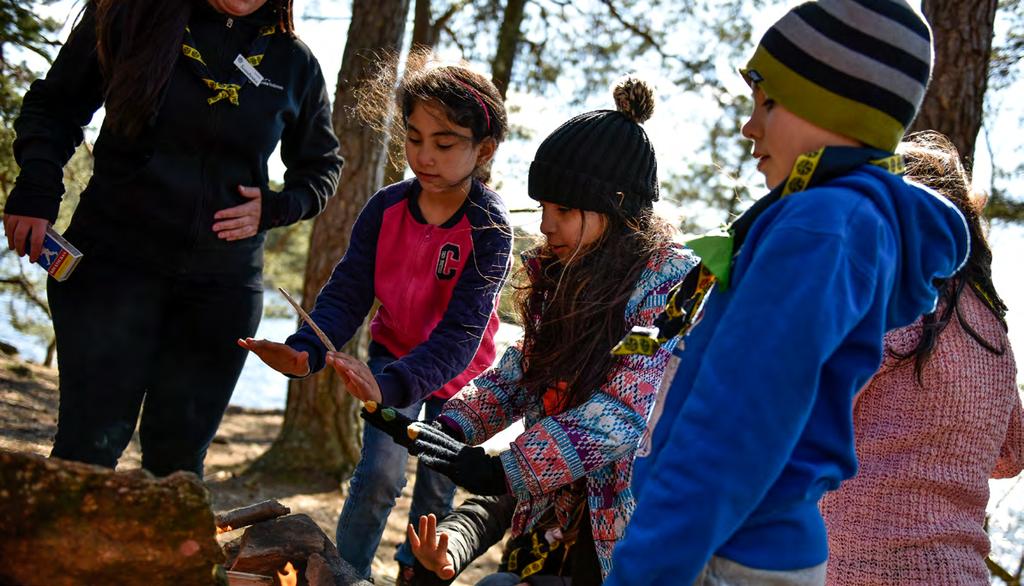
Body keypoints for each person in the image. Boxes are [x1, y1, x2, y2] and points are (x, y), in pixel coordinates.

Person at [604, 2, 972, 584]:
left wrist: (646, 568)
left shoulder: (819, 227)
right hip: (742, 543)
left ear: (838, 109)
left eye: (768, 102)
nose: (750, 126)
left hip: (723, 554)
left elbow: (735, 422)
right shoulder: (833, 222)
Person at [364, 76, 701, 585]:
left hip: (638, 529)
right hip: (551, 525)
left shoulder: (674, 285)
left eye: (563, 210)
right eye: (543, 208)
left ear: (616, 207)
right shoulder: (559, 277)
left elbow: (627, 411)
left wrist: (504, 469)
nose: (545, 226)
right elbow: (519, 373)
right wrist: (447, 429)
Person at [2, 0, 342, 477]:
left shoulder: (295, 61)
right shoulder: (126, 16)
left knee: (177, 465)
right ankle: (56, 552)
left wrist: (277, 206)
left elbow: (322, 168)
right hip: (112, 270)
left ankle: (162, 553)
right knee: (90, 446)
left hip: (220, 289)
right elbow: (54, 107)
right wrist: (36, 188)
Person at [239, 58, 512, 583]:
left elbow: (461, 334)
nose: (424, 156)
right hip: (391, 359)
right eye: (414, 138)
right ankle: (347, 573)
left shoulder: (489, 225)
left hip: (459, 373)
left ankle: (417, 576)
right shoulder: (385, 207)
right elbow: (347, 292)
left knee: (437, 484)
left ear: (484, 149)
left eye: (445, 142)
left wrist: (390, 386)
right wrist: (307, 351)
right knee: (380, 476)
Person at [818, 131, 1022, 585]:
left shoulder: (898, 300)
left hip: (857, 568)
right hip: (961, 573)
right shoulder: (993, 330)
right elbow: (1010, 455)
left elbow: (805, 412)